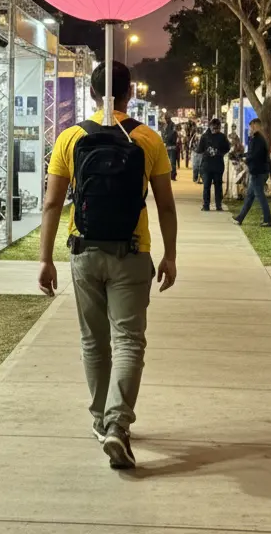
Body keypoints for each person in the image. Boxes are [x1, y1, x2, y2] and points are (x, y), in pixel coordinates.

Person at [38, 60, 177, 471]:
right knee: (129, 341)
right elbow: (165, 204)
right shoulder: (149, 139)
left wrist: (45, 259)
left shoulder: (70, 137)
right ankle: (118, 425)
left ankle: (102, 421)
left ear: (94, 92)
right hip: (133, 253)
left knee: (93, 342)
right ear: (130, 92)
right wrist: (170, 254)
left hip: (84, 252)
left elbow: (51, 203)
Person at [233, 119, 271, 227]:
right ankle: (240, 218)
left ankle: (267, 220)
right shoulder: (256, 139)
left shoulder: (258, 139)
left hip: (258, 172)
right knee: (250, 196)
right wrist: (242, 155)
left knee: (260, 196)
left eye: (251, 127)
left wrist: (246, 160)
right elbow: (251, 153)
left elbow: (255, 155)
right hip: (257, 171)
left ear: (255, 126)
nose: (250, 129)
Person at [197, 118, 231, 211]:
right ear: (210, 126)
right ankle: (206, 205)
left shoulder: (222, 137)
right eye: (214, 128)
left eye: (217, 128)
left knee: (218, 185)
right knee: (207, 185)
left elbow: (227, 148)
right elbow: (199, 149)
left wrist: (219, 152)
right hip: (207, 165)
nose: (215, 130)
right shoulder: (204, 137)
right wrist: (207, 151)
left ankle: (218, 205)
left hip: (217, 165)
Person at [162, 114, 178, 180]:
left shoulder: (173, 125)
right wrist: (164, 139)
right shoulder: (165, 125)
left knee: (172, 163)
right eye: (166, 119)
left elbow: (173, 134)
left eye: (167, 118)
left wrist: (166, 137)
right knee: (166, 163)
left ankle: (173, 176)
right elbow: (163, 133)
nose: (166, 120)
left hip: (172, 147)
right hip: (167, 146)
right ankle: (168, 175)